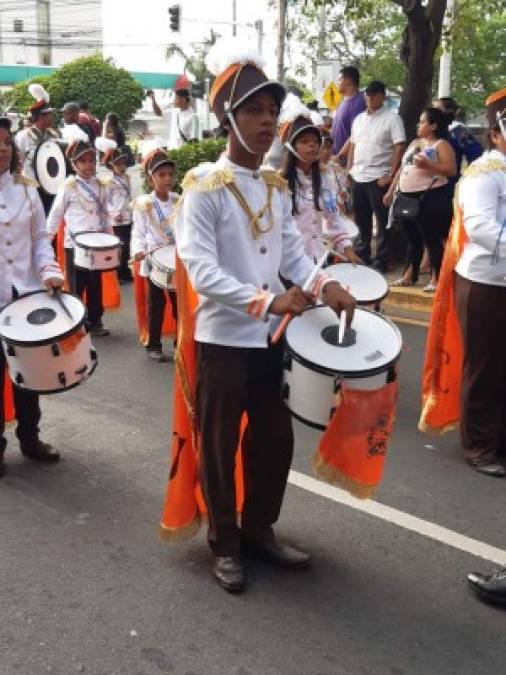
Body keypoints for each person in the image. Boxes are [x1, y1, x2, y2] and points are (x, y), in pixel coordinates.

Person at [160, 41, 356, 593]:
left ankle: (259, 531)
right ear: (230, 119)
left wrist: (324, 282)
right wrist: (269, 301)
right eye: (255, 111)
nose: (269, 121)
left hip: (271, 341)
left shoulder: (274, 185)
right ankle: (225, 544)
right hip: (224, 340)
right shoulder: (203, 188)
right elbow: (202, 273)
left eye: (273, 112)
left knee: (274, 440)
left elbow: (293, 254)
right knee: (219, 447)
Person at [419, 88, 506, 477]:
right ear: (496, 134)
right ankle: (480, 446)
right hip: (487, 283)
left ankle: (499, 439)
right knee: (485, 367)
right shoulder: (483, 175)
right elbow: (482, 229)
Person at [0, 116, 64, 477]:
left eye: (7, 141)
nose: (3, 148)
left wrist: (51, 273)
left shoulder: (27, 190)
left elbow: (41, 239)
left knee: (27, 376)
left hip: (25, 298)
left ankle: (30, 437)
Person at [279, 95, 360, 264]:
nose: (313, 145)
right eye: (305, 141)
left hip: (317, 259)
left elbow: (333, 216)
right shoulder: (279, 183)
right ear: (291, 147)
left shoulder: (324, 178)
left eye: (316, 141)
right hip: (289, 262)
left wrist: (347, 249)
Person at [47, 131, 113, 337]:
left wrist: (110, 237)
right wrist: (46, 239)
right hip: (74, 245)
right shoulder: (68, 186)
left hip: (97, 244)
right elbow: (55, 215)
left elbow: (105, 214)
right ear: (74, 164)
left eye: (91, 160)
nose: (88, 165)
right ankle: (77, 322)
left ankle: (96, 320)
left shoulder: (101, 186)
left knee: (95, 285)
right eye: (83, 161)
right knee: (77, 285)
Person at [385, 107, 456, 292]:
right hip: (406, 195)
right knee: (412, 238)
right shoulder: (415, 142)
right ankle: (410, 274)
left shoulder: (441, 144)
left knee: (430, 239)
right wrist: (391, 190)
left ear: (433, 125)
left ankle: (436, 278)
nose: (419, 125)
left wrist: (429, 165)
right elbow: (402, 169)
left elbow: (451, 170)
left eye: (423, 121)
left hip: (429, 196)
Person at [348, 80, 406, 272]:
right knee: (361, 220)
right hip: (358, 175)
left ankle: (381, 261)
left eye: (374, 94)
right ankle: (362, 256)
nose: (370, 98)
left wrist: (391, 174)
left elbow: (399, 147)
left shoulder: (392, 119)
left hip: (378, 177)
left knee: (382, 222)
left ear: (382, 96)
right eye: (368, 95)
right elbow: (353, 146)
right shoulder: (358, 119)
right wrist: (349, 170)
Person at [131, 149, 178, 362]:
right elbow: (138, 233)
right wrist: (137, 251)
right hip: (154, 259)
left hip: (176, 260)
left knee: (180, 305)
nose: (167, 178)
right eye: (161, 175)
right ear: (152, 179)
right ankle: (154, 344)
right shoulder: (144, 203)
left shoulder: (179, 200)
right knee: (155, 305)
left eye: (170, 174)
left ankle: (181, 342)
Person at [14, 83, 60, 215]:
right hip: (32, 189)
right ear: (41, 116)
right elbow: (17, 164)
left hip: (52, 188)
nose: (52, 117)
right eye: (49, 114)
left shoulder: (54, 135)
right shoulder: (23, 136)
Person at [96, 138, 133, 283]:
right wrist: (113, 213)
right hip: (117, 219)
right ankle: (118, 274)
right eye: (118, 164)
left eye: (123, 163)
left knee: (128, 245)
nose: (122, 166)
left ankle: (125, 271)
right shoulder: (108, 181)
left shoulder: (127, 177)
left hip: (128, 215)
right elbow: (106, 201)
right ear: (111, 166)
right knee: (119, 247)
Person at [435, 97, 483, 186]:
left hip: (448, 184)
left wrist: (468, 178)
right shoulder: (433, 130)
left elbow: (476, 154)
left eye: (438, 109)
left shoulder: (457, 131)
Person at [330, 66, 366, 162]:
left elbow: (356, 134)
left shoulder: (358, 103)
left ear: (348, 81)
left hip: (347, 161)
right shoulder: (343, 101)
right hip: (335, 157)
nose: (337, 83)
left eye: (340, 79)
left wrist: (340, 155)